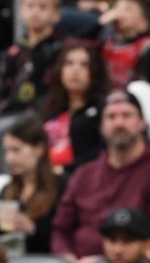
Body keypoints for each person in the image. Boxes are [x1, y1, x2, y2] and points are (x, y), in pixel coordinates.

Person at [50, 92, 150, 263]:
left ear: (142, 123)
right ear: (101, 126)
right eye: (111, 117)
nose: (119, 123)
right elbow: (61, 229)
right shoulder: (84, 174)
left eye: (126, 115)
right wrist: (67, 260)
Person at [39, 41, 106, 173]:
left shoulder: (102, 110)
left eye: (84, 65)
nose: (76, 70)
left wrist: (64, 169)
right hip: (46, 179)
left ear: (95, 71)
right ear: (60, 70)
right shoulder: (48, 109)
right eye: (69, 64)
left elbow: (101, 156)